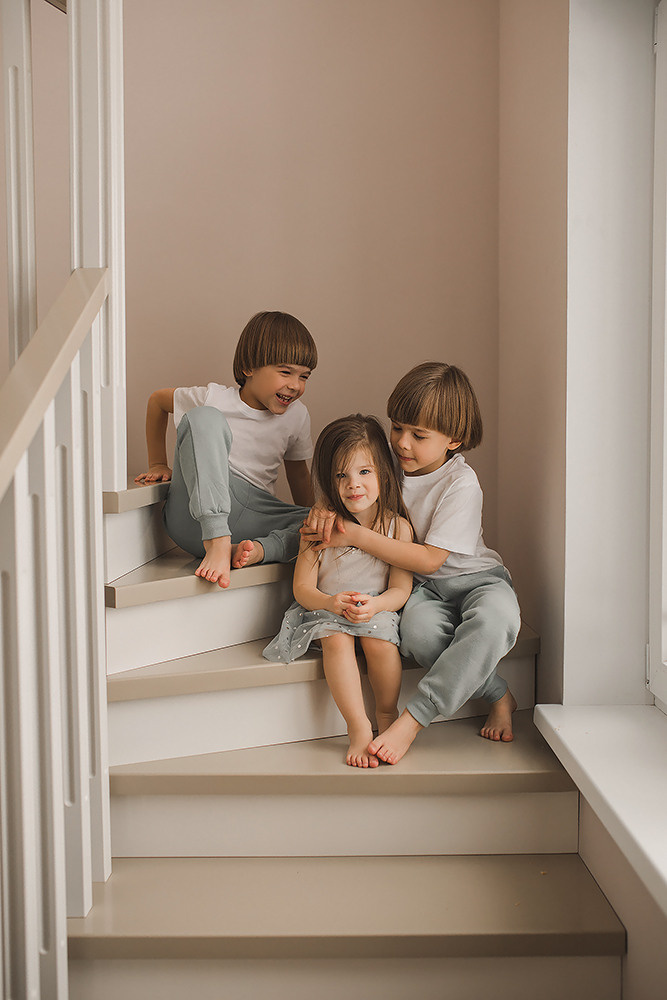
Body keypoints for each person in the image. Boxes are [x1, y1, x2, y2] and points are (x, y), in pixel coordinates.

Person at [304, 362, 521, 763]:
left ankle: (414, 719)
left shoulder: (461, 484)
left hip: (476, 580)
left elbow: (430, 558)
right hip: (422, 588)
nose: (402, 443)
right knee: (420, 638)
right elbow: (352, 482)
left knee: (497, 621)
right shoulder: (389, 466)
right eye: (398, 427)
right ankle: (497, 693)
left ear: (454, 439)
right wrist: (325, 505)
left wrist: (353, 534)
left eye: (419, 435)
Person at [264, 415, 413, 768]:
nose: (353, 485)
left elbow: (400, 589)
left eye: (364, 472)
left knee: (379, 640)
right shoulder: (319, 528)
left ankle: (387, 715)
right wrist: (330, 602)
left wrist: (376, 605)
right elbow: (302, 588)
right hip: (326, 610)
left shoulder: (397, 527)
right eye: (341, 475)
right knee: (337, 639)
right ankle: (358, 726)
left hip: (375, 609)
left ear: (384, 474)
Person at [135, 311, 317, 589]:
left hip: (257, 518)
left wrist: (312, 519)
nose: (295, 385)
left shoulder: (297, 415)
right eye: (285, 372)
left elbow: (299, 476)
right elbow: (157, 401)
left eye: (304, 376)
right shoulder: (213, 398)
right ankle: (217, 541)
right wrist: (158, 463)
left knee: (331, 524)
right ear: (249, 368)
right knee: (203, 417)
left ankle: (259, 551)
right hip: (196, 516)